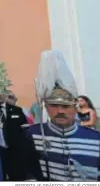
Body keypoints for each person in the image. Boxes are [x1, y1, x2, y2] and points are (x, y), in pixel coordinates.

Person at [25, 50, 100, 181]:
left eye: (66, 106)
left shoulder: (95, 139)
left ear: (75, 108)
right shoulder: (31, 135)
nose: (60, 111)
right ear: (46, 107)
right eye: (54, 106)